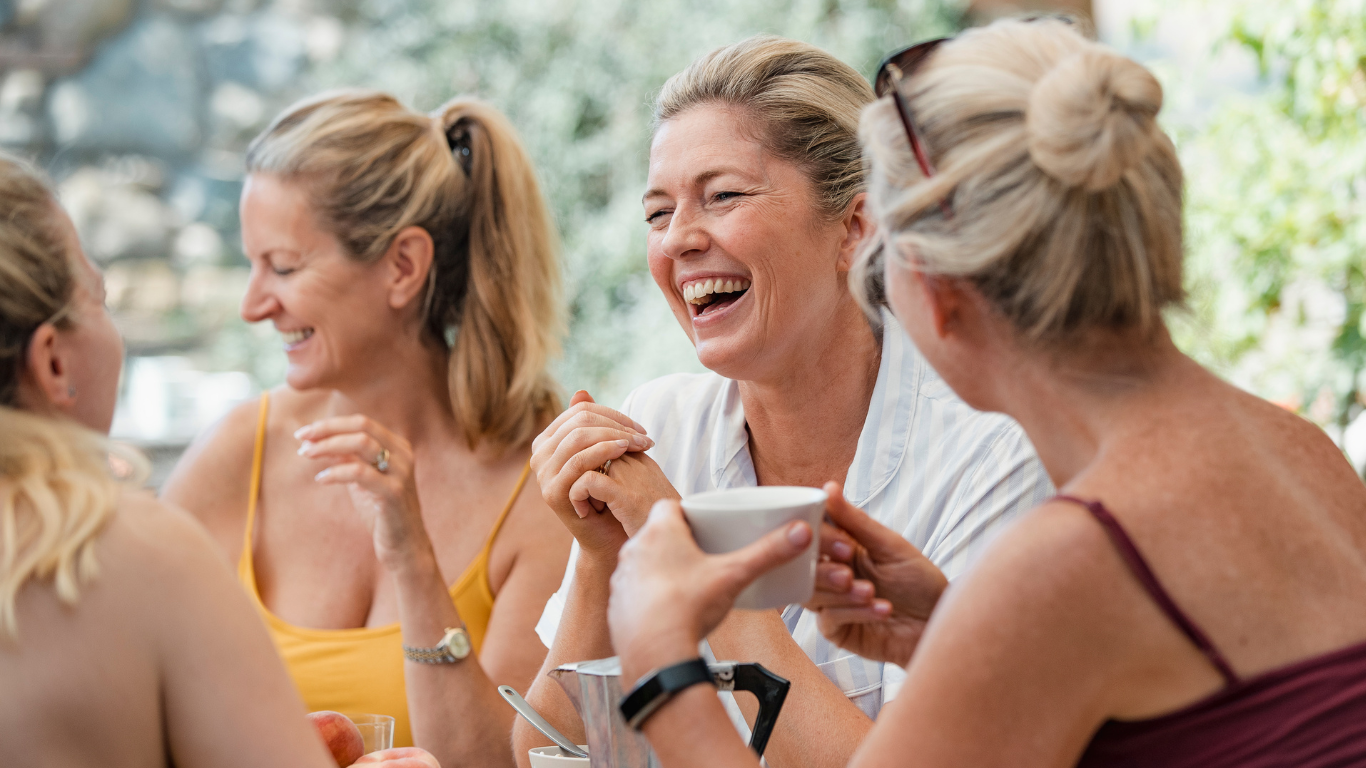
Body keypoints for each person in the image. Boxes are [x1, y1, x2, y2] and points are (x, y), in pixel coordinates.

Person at [606, 17, 1366, 768]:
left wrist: (659, 658)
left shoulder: (1071, 553)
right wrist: (951, 628)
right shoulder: (1301, 451)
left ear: (936, 291)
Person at [516, 36, 1053, 768]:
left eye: (723, 196)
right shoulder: (658, 427)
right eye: (657, 213)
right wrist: (601, 557)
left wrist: (688, 560)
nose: (677, 240)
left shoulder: (993, 453)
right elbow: (547, 749)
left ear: (855, 228)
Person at [162, 91, 571, 767]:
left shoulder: (538, 485)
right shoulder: (239, 452)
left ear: (402, 266)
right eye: (252, 265)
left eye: (284, 266)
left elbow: (507, 763)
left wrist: (412, 558)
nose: (253, 305)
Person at [0, 153, 435, 768]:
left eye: (283, 267)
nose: (252, 306)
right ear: (53, 363)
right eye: (99, 300)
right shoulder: (139, 554)